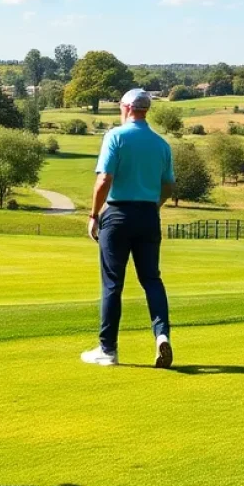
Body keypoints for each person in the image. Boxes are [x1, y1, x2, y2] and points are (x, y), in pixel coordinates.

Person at [81, 88, 175, 368]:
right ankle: (161, 336)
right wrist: (152, 207)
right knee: (152, 280)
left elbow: (104, 179)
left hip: (118, 214)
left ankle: (107, 350)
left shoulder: (115, 136)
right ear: (146, 110)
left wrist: (94, 214)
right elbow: (168, 186)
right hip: (148, 215)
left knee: (113, 284)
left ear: (126, 108)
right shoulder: (161, 144)